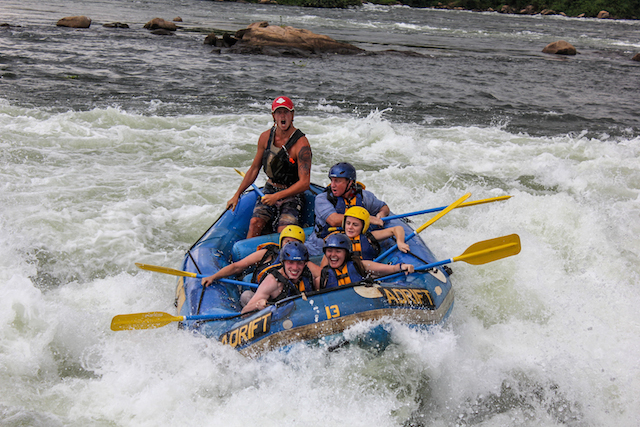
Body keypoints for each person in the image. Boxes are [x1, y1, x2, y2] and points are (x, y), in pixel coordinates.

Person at [226, 96, 312, 238]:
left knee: (284, 231)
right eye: (279, 112)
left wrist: (277, 197)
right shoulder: (265, 137)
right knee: (255, 222)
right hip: (270, 188)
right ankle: (249, 259)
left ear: (292, 115)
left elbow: (304, 183)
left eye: (286, 112)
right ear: (273, 116)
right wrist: (237, 194)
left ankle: (282, 258)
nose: (283, 116)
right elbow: (254, 168)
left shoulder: (302, 144)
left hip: (292, 193)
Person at [308, 162, 390, 255]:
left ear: (350, 182)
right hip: (320, 248)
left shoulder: (364, 197)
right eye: (332, 180)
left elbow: (384, 207)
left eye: (338, 181)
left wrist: (381, 214)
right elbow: (333, 220)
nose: (333, 185)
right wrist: (368, 219)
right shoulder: (322, 199)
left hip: (351, 246)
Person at [200, 225, 306, 287]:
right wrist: (213, 277)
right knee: (246, 296)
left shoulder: (303, 262)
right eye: (287, 242)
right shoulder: (267, 253)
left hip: (286, 298)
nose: (290, 246)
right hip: (259, 295)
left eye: (295, 243)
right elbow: (237, 266)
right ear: (281, 241)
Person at [241, 241, 315, 314]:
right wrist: (257, 305)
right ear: (283, 262)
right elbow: (244, 312)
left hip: (299, 315)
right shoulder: (272, 282)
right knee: (246, 296)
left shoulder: (307, 275)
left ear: (305, 263)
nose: (295, 268)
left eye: (300, 263)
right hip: (278, 320)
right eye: (290, 262)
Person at [319, 233, 414, 289]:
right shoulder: (323, 276)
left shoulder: (359, 265)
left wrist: (401, 267)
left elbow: (390, 269)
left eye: (338, 251)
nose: (333, 255)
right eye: (329, 251)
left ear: (346, 253)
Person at [340, 206, 410, 260]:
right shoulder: (337, 238)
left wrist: (400, 242)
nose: (350, 227)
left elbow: (397, 229)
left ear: (363, 227)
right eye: (348, 223)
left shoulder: (369, 237)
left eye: (355, 225)